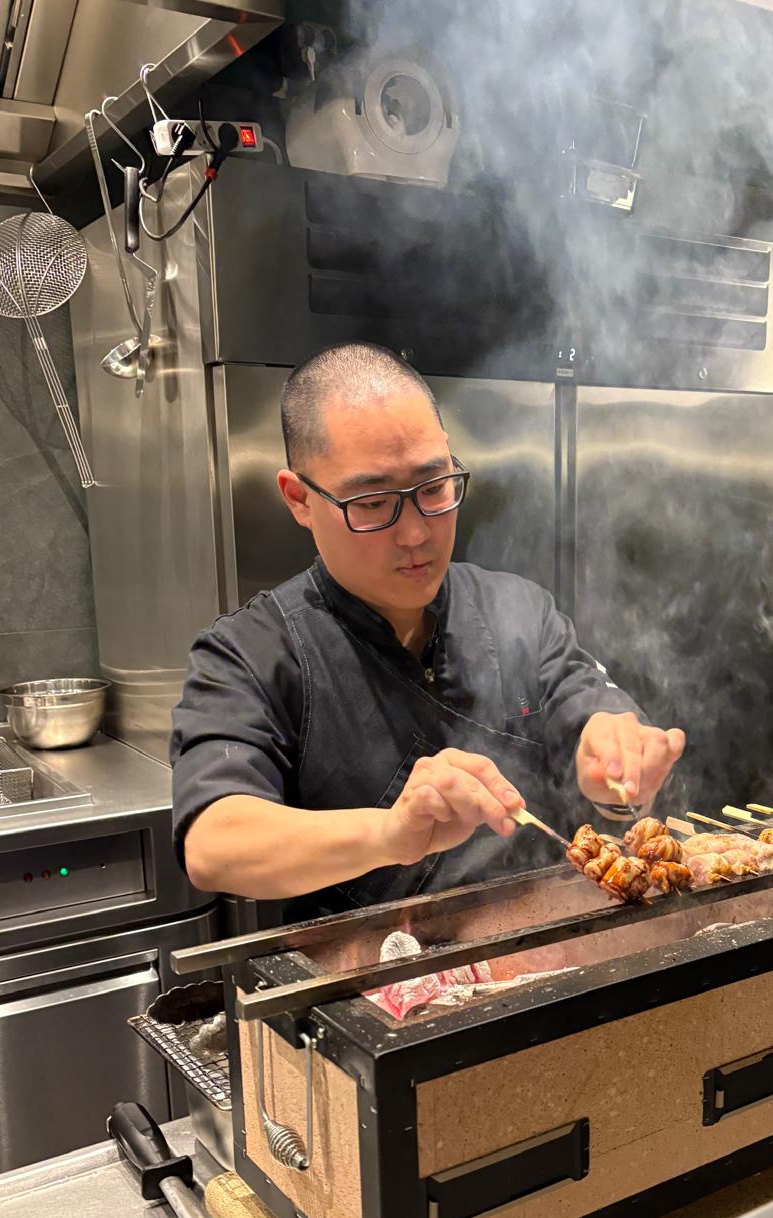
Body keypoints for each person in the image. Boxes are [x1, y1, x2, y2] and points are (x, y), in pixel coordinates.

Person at [171, 343, 685, 918]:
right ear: (300, 499)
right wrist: (389, 834)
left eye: (433, 488)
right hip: (369, 968)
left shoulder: (519, 609)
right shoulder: (249, 654)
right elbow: (213, 842)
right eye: (372, 503)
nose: (416, 533)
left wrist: (619, 767)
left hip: (547, 950)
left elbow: (586, 708)